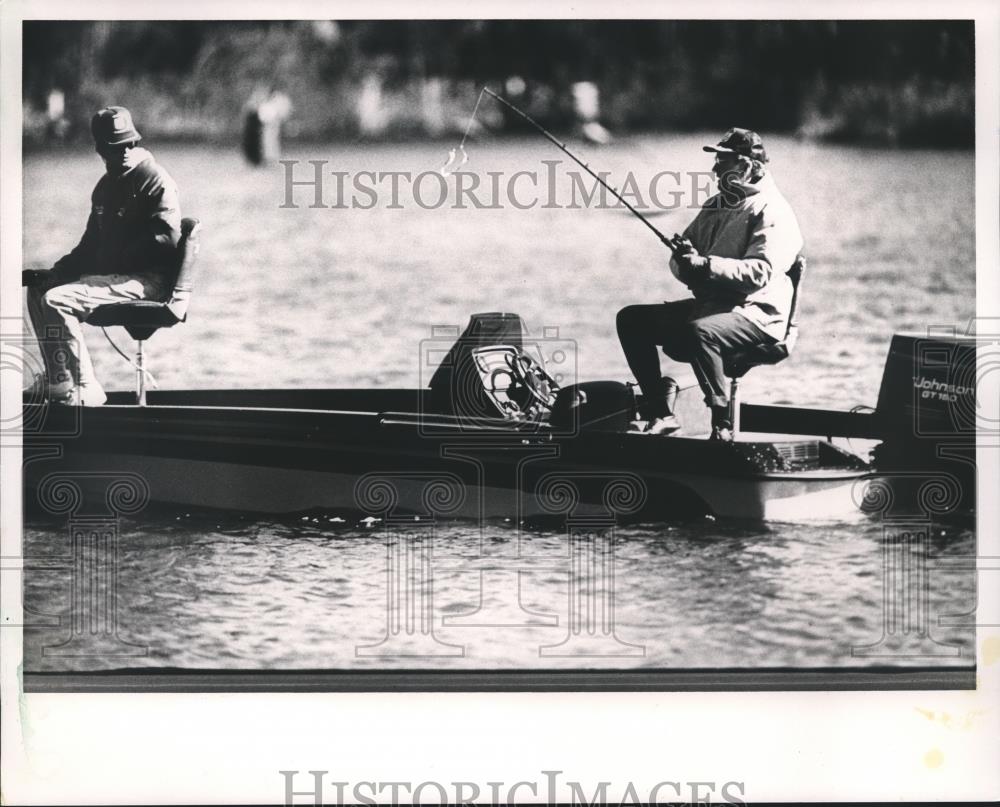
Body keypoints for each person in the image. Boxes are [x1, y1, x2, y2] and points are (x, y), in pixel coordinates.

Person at [616, 128, 803, 440]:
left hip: (757, 314)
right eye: (717, 161)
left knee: (700, 332)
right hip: (713, 307)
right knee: (632, 319)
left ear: (747, 166)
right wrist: (686, 261)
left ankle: (722, 424)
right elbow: (684, 258)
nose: (715, 169)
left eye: (723, 162)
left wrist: (705, 266)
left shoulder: (772, 210)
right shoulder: (717, 204)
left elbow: (760, 273)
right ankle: (660, 412)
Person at [24, 106, 181, 406]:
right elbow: (89, 246)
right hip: (117, 276)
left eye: (130, 143)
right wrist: (57, 272)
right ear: (100, 148)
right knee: (40, 291)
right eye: (116, 145)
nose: (125, 150)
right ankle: (59, 380)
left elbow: (166, 239)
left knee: (57, 301)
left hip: (148, 280)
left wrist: (112, 261)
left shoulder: (155, 180)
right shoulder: (104, 188)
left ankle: (88, 387)